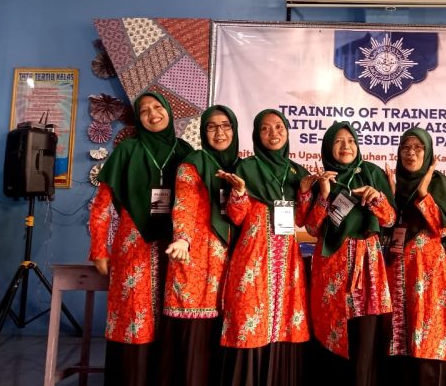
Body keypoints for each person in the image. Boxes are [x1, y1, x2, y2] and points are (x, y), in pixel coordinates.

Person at [89, 91, 194, 386]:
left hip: (175, 245)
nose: (152, 114)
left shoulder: (185, 151)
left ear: (169, 111)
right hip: (134, 243)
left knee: (172, 315)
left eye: (158, 107)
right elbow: (101, 205)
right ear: (138, 118)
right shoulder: (128, 150)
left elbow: (197, 203)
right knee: (134, 315)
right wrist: (99, 249)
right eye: (144, 110)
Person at [216, 109, 314, 386]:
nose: (273, 133)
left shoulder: (297, 172)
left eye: (279, 127)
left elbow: (303, 220)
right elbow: (236, 217)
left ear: (287, 132)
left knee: (285, 320)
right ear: (257, 134)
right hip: (253, 256)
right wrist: (239, 193)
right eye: (265, 128)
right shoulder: (246, 168)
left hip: (288, 260)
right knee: (249, 317)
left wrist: (305, 192)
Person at [303, 121, 396, 386]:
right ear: (328, 147)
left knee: (364, 340)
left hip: (367, 268)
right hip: (331, 269)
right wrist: (324, 195)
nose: (346, 146)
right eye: (338, 141)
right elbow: (311, 228)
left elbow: (390, 220)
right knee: (331, 335)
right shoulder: (322, 179)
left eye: (351, 141)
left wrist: (377, 198)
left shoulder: (372, 173)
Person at [159, 105, 240, 386]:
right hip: (196, 260)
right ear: (204, 132)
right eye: (212, 127)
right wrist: (182, 238)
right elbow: (184, 204)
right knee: (195, 337)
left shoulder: (240, 167)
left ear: (234, 130)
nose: (219, 132)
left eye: (225, 125)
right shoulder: (193, 163)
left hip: (229, 261)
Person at [385, 128, 446, 386]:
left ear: (428, 153)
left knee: (428, 339)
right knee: (399, 341)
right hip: (397, 273)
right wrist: (391, 196)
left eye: (418, 148)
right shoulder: (394, 183)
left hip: (429, 275)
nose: (411, 153)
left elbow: (443, 228)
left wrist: (424, 192)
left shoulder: (438, 183)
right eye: (406, 148)